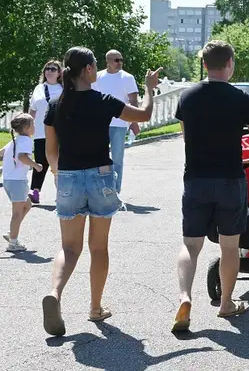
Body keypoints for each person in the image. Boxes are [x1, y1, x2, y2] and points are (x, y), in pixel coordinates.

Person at [42, 47, 159, 337]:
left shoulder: (56, 105)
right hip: (100, 176)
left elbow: (50, 152)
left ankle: (55, 294)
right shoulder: (103, 101)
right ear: (89, 70)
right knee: (98, 246)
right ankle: (95, 308)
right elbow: (143, 115)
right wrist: (148, 88)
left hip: (68, 177)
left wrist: (59, 175)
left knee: (69, 248)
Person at [172, 41, 249, 331]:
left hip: (196, 179)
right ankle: (226, 304)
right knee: (229, 246)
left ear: (204, 64)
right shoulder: (241, 99)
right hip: (230, 179)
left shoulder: (187, 97)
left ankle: (185, 298)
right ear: (230, 64)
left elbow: (186, 138)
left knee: (191, 245)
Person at [91, 50, 139, 195]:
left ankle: (115, 191)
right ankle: (101, 188)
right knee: (100, 157)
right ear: (108, 61)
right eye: (116, 60)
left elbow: (133, 101)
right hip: (100, 123)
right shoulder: (98, 76)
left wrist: (134, 121)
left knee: (117, 158)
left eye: (121, 60)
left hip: (120, 123)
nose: (119, 63)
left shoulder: (127, 77)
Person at [1, 113, 42, 252]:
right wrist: (36, 165)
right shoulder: (26, 140)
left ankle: (11, 232)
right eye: (33, 124)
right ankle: (13, 243)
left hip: (8, 181)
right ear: (26, 128)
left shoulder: (15, 140)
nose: (35, 126)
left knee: (27, 205)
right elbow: (22, 157)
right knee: (17, 213)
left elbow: (2, 153)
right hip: (17, 182)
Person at [28, 60, 63, 204]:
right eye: (47, 68)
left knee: (60, 163)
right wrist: (26, 128)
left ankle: (62, 193)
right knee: (40, 162)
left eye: (53, 69)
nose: (49, 71)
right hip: (41, 132)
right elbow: (32, 110)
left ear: (59, 73)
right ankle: (35, 191)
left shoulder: (64, 88)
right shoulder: (39, 88)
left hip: (60, 132)